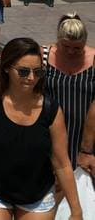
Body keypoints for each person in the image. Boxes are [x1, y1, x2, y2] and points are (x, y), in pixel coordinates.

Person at [0, 38, 84, 219]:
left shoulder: (51, 110)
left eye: (38, 72)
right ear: (7, 68)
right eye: (24, 72)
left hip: (37, 194)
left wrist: (76, 209)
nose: (31, 78)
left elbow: (62, 163)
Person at [42, 14, 94, 170]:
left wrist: (87, 148)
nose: (71, 51)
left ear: (85, 42)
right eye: (65, 46)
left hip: (85, 131)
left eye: (77, 48)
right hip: (49, 130)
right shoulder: (43, 55)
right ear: (58, 39)